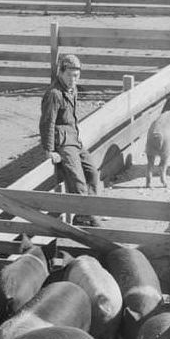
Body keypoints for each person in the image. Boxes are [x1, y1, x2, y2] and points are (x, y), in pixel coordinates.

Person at [39, 54, 104, 227]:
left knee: (93, 172)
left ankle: (87, 213)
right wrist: (49, 150)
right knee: (77, 179)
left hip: (75, 138)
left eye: (76, 75)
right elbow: (47, 122)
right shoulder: (54, 94)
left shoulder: (72, 90)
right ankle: (86, 215)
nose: (73, 79)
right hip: (63, 141)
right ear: (60, 73)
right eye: (69, 75)